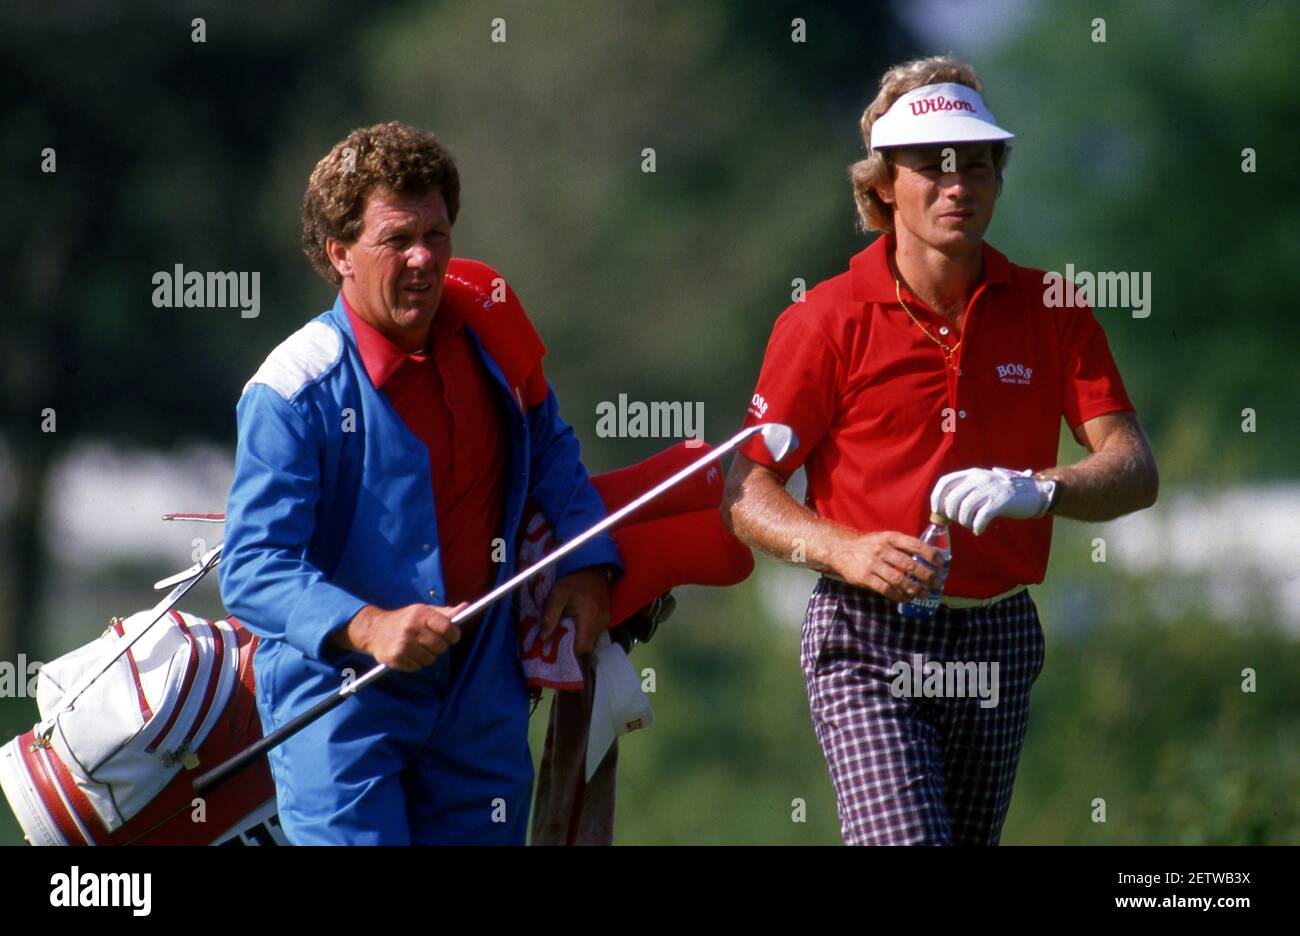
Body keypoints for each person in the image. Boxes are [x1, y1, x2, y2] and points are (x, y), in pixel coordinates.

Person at [721, 56, 1158, 845]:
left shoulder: (1053, 308)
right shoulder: (824, 319)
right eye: (934, 167)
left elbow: (1132, 469)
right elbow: (745, 490)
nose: (959, 185)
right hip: (866, 635)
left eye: (979, 164)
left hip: (1000, 634)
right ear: (884, 184)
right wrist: (845, 550)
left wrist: (1042, 489)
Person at [219, 121, 621, 845]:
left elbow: (550, 445)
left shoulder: (487, 333)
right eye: (397, 239)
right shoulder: (289, 390)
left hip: (480, 691)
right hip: (340, 694)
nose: (423, 260)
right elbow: (252, 569)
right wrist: (370, 627)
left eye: (436, 236)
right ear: (339, 253)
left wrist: (589, 565)